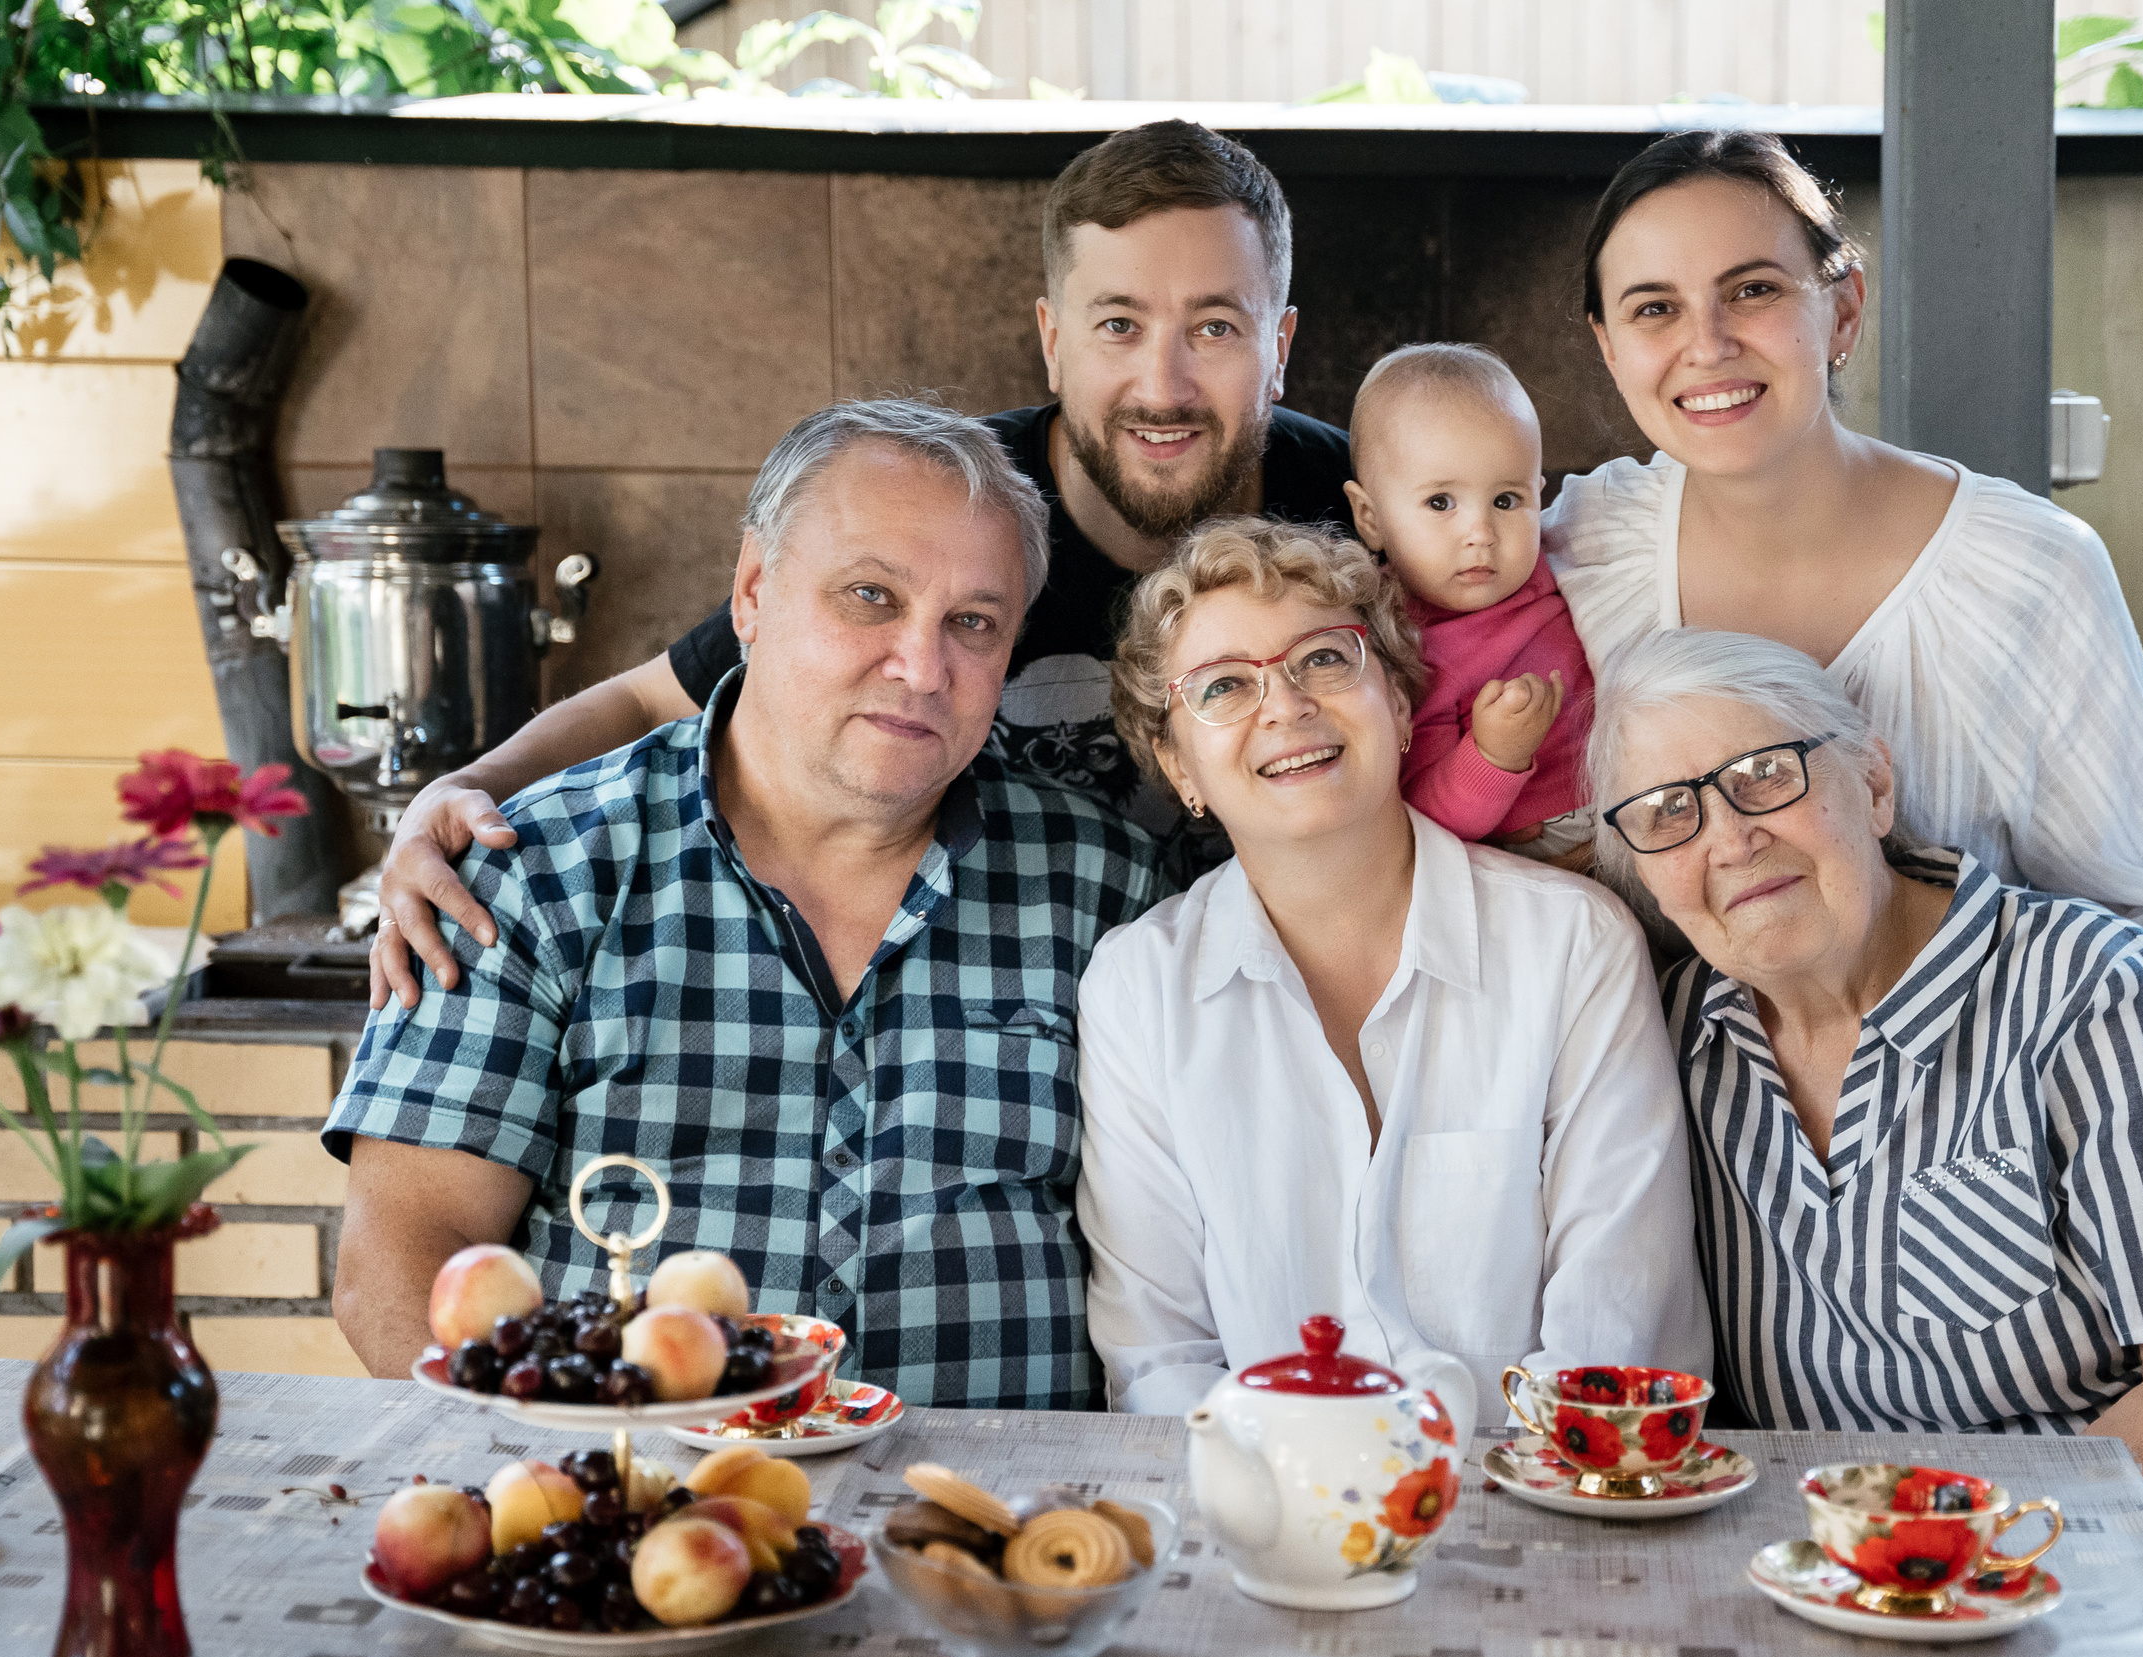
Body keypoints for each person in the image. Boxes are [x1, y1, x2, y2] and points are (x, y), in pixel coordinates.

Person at [1587, 626, 2143, 1657]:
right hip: (1938, 1624)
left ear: (1873, 781)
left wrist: (1932, 1596)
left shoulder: (2094, 993)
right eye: (1668, 812)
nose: (1727, 838)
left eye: (1766, 775)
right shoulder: (1675, 1048)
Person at [368, 118, 1351, 1009]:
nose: (1162, 383)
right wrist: (456, 796)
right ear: (1053, 342)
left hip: (1288, 1003)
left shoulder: (1372, 516)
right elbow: (644, 704)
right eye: (1118, 325)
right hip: (1011, 1008)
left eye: (1215, 327)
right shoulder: (956, 511)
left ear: (1279, 346)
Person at [1550, 128, 2143, 1252]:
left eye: (1752, 291)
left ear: (1842, 308)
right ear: (1609, 349)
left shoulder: (2025, 575)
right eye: (1654, 309)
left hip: (1996, 1182)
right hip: (1693, 1172)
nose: (1704, 346)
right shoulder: (1576, 557)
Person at [323, 399, 1165, 1410]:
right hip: (642, 1512)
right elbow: (403, 1251)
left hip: (995, 1535)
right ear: (754, 593)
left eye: (971, 624)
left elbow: (1186, 1268)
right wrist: (562, 1488)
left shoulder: (1105, 888)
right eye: (868, 596)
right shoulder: (532, 869)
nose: (921, 665)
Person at [1074, 518, 1712, 1420]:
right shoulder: (1137, 991)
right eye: (1222, 686)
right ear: (1179, 764)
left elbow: (1616, 1339)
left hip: (1551, 1521)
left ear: (1403, 704)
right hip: (1260, 1533)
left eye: (1326, 660)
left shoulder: (1574, 946)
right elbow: (1159, 1361)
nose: (1286, 706)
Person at [1344, 343, 1594, 862]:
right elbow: (1428, 820)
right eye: (1440, 503)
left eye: (1507, 501)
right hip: (1535, 854)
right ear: (1370, 517)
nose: (1481, 533)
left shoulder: (1564, 562)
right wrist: (1494, 754)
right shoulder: (1398, 648)